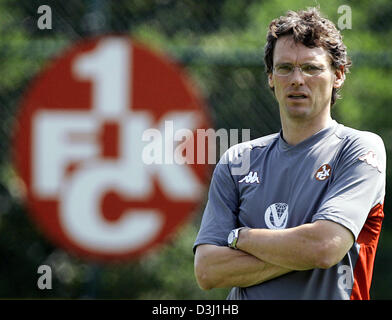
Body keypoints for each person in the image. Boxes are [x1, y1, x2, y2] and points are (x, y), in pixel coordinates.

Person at [193, 7, 386, 300]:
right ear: (271, 77)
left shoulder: (359, 149)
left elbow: (324, 248)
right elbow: (207, 271)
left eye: (311, 68)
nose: (297, 79)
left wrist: (239, 238)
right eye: (284, 68)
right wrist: (298, 251)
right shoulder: (237, 161)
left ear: (339, 75)